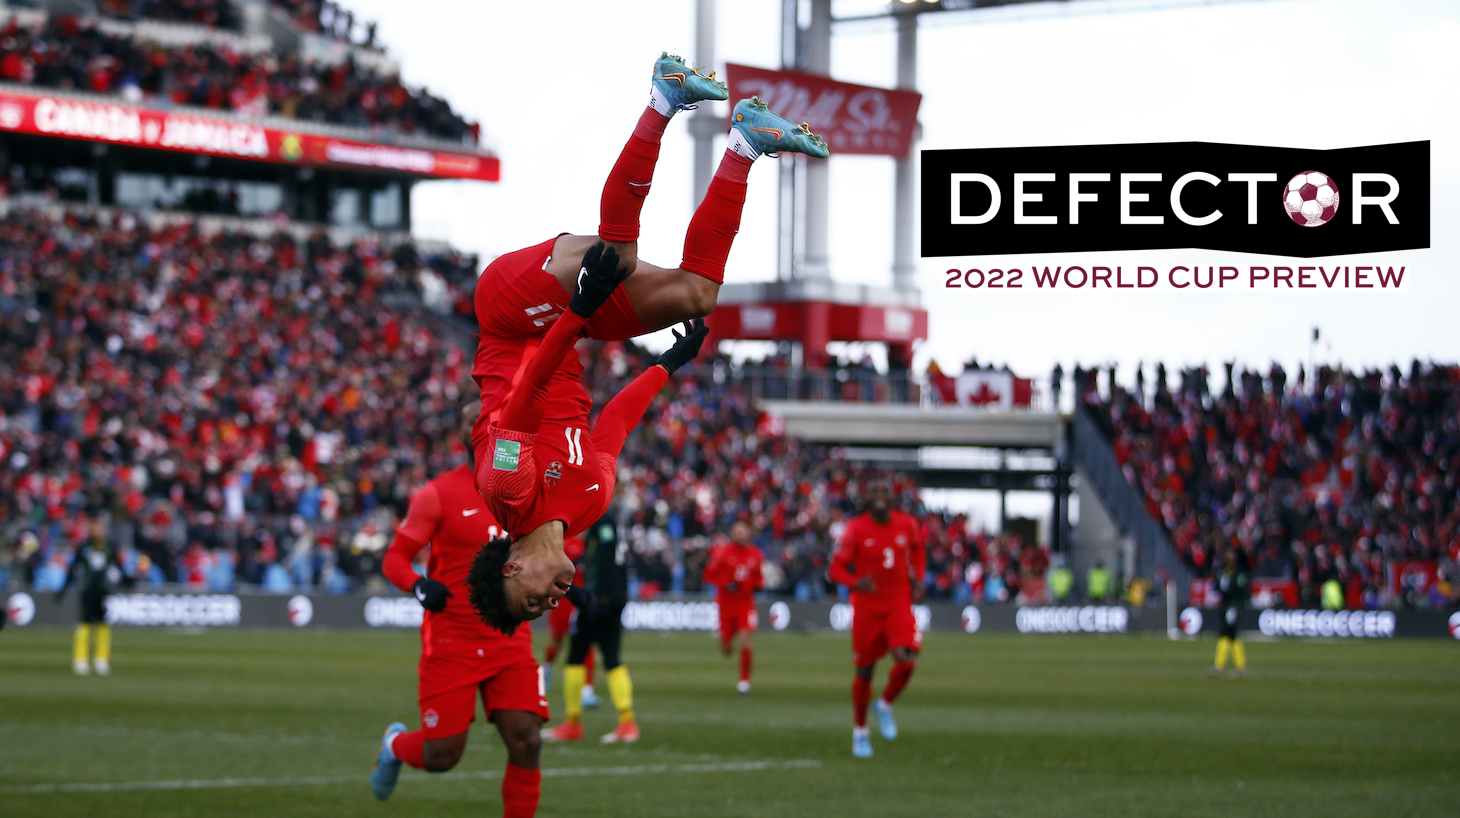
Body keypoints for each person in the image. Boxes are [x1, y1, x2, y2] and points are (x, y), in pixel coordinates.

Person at [464, 52, 827, 632]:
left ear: (511, 568)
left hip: (511, 315)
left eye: (533, 601)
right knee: (697, 295)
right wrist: (667, 365)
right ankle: (746, 145)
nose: (551, 602)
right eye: (546, 610)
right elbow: (613, 428)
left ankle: (664, 98)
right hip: (569, 325)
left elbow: (527, 392)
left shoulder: (505, 491)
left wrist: (582, 304)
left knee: (616, 256)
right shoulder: (587, 506)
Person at [369, 402, 548, 818]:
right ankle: (394, 746)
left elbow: (543, 556)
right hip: (454, 638)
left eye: (495, 421)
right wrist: (418, 585)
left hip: (509, 636)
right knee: (443, 756)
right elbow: (394, 558)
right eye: (476, 421)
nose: (487, 426)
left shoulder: (524, 489)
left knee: (527, 739)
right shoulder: (437, 494)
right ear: (464, 434)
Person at [828, 479, 926, 758]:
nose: (880, 496)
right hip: (867, 608)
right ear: (867, 498)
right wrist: (854, 582)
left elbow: (918, 549)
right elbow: (835, 569)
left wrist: (918, 576)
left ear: (893, 496)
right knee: (865, 671)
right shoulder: (856, 529)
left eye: (884, 491)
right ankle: (860, 732)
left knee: (906, 659)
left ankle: (884, 705)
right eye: (875, 491)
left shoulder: (907, 524)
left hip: (898, 603)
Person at [541, 507, 637, 744]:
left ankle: (573, 723)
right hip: (614, 597)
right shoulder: (612, 520)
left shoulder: (603, 521)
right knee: (612, 657)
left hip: (600, 599)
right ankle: (627, 721)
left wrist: (597, 596)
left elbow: (604, 556)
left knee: (576, 656)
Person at [57, 519, 129, 675]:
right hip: (87, 591)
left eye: (99, 528)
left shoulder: (110, 546)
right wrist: (63, 589)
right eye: (94, 528)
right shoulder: (84, 547)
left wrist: (128, 582)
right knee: (84, 624)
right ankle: (80, 659)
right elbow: (73, 568)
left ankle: (101, 660)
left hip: (104, 591)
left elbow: (119, 567)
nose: (96, 531)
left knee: (103, 624)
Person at [703, 520, 764, 696]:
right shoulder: (722, 553)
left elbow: (759, 578)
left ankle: (744, 681)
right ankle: (727, 642)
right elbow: (708, 575)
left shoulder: (756, 554)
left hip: (745, 604)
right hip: (726, 605)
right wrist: (725, 583)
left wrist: (756, 585)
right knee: (727, 647)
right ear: (732, 533)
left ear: (748, 533)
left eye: (742, 531)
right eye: (736, 531)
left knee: (746, 639)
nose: (740, 534)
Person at [539, 533, 599, 709]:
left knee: (586, 642)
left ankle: (587, 690)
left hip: (581, 599)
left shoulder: (588, 543)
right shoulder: (566, 543)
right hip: (563, 600)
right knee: (557, 640)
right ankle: (547, 668)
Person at [1211, 546, 1251, 678]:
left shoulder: (1238, 572)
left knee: (1229, 634)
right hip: (1224, 606)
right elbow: (1216, 586)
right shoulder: (1223, 571)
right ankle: (1236, 666)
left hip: (1233, 606)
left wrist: (1237, 603)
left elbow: (1242, 590)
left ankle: (1224, 666)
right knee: (1228, 635)